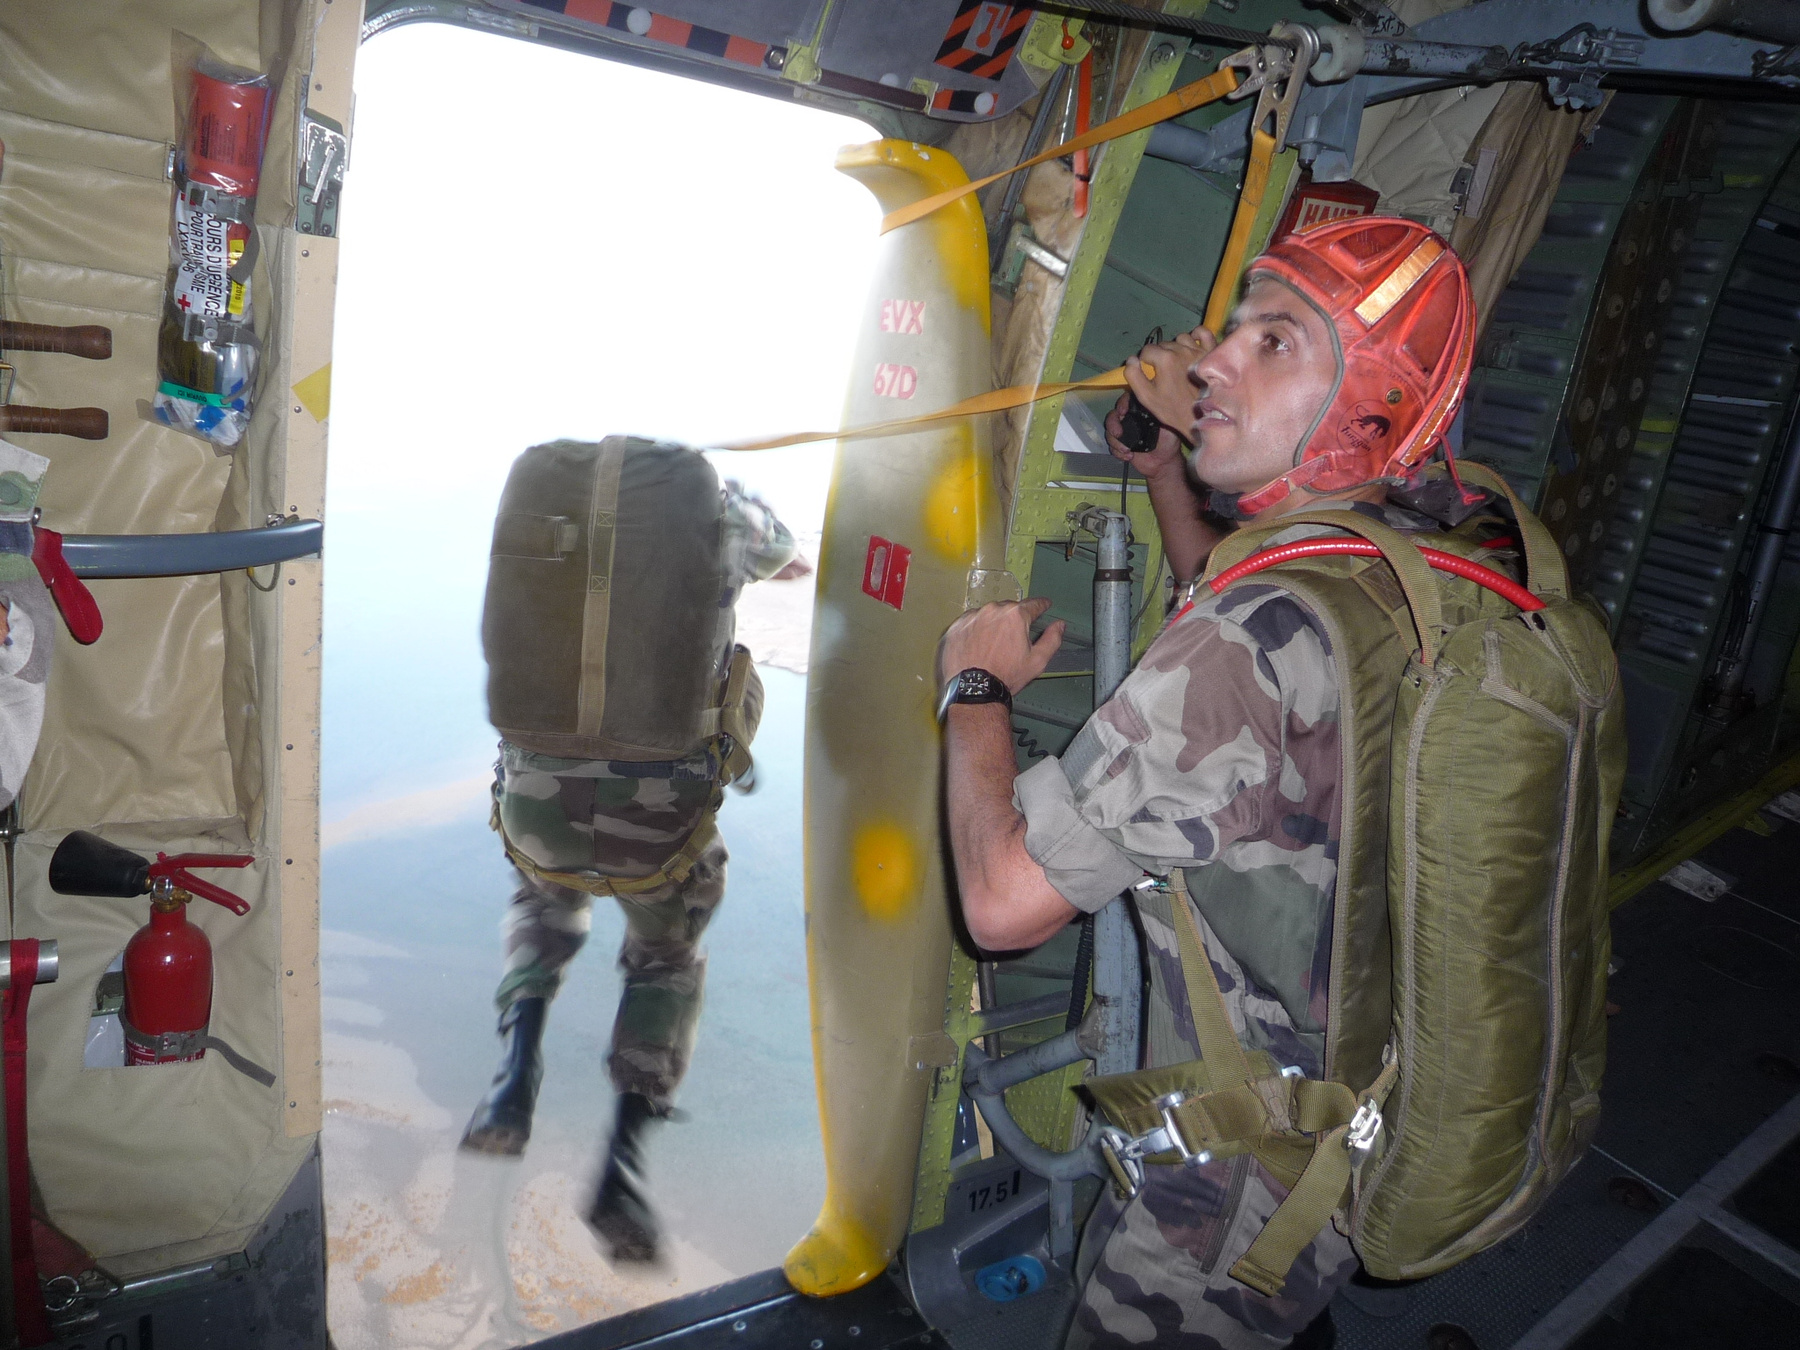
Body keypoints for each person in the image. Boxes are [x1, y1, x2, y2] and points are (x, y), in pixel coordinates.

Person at [936, 218, 1477, 1347]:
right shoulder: (1415, 562)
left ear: (1369, 408)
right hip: (1370, 1103)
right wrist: (1167, 476)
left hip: (1239, 1189)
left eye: (1275, 341)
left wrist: (973, 689)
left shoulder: (1252, 638)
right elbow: (1247, 642)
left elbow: (1001, 902)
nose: (1217, 361)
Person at [460, 458, 803, 1267]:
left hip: (535, 810)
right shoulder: (719, 520)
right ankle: (620, 1164)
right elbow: (786, 551)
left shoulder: (545, 522)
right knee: (665, 961)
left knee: (542, 901)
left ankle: (514, 1073)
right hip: (659, 828)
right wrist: (741, 503)